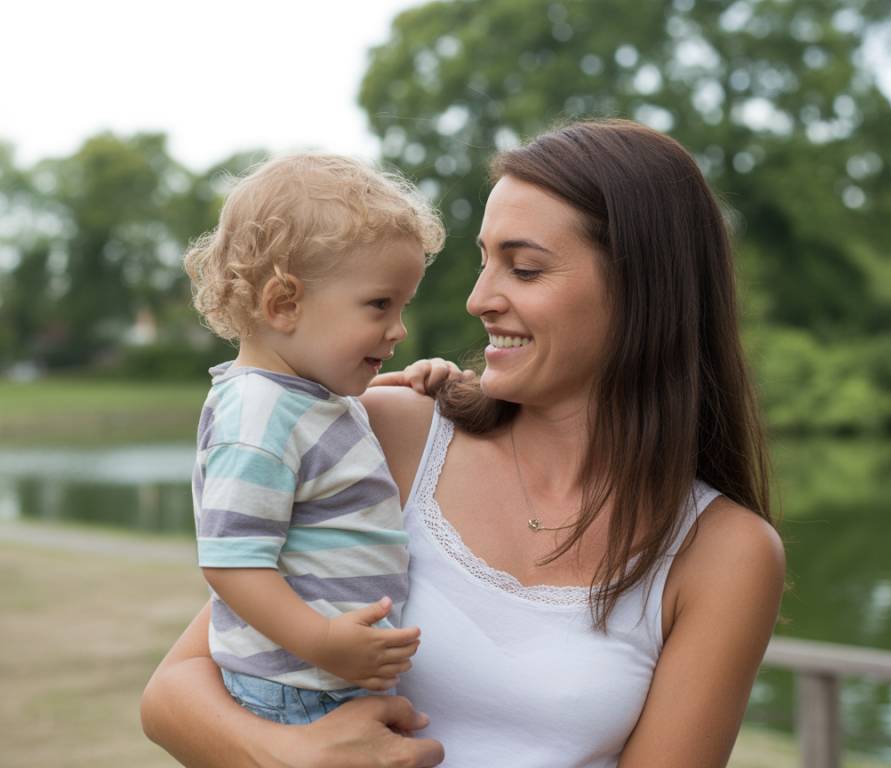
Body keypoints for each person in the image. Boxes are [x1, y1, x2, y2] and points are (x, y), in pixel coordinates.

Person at [142, 119, 785, 768]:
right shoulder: (385, 430)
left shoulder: (726, 553)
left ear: (643, 288)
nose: (479, 299)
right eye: (484, 260)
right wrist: (291, 757)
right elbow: (173, 693)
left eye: (524, 269)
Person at [181, 153, 457, 725]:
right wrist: (324, 641)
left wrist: (403, 381)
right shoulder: (257, 417)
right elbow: (231, 563)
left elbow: (329, 427)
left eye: (402, 306)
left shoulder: (303, 397)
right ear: (285, 303)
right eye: (380, 305)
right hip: (297, 689)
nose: (399, 328)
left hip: (320, 682)